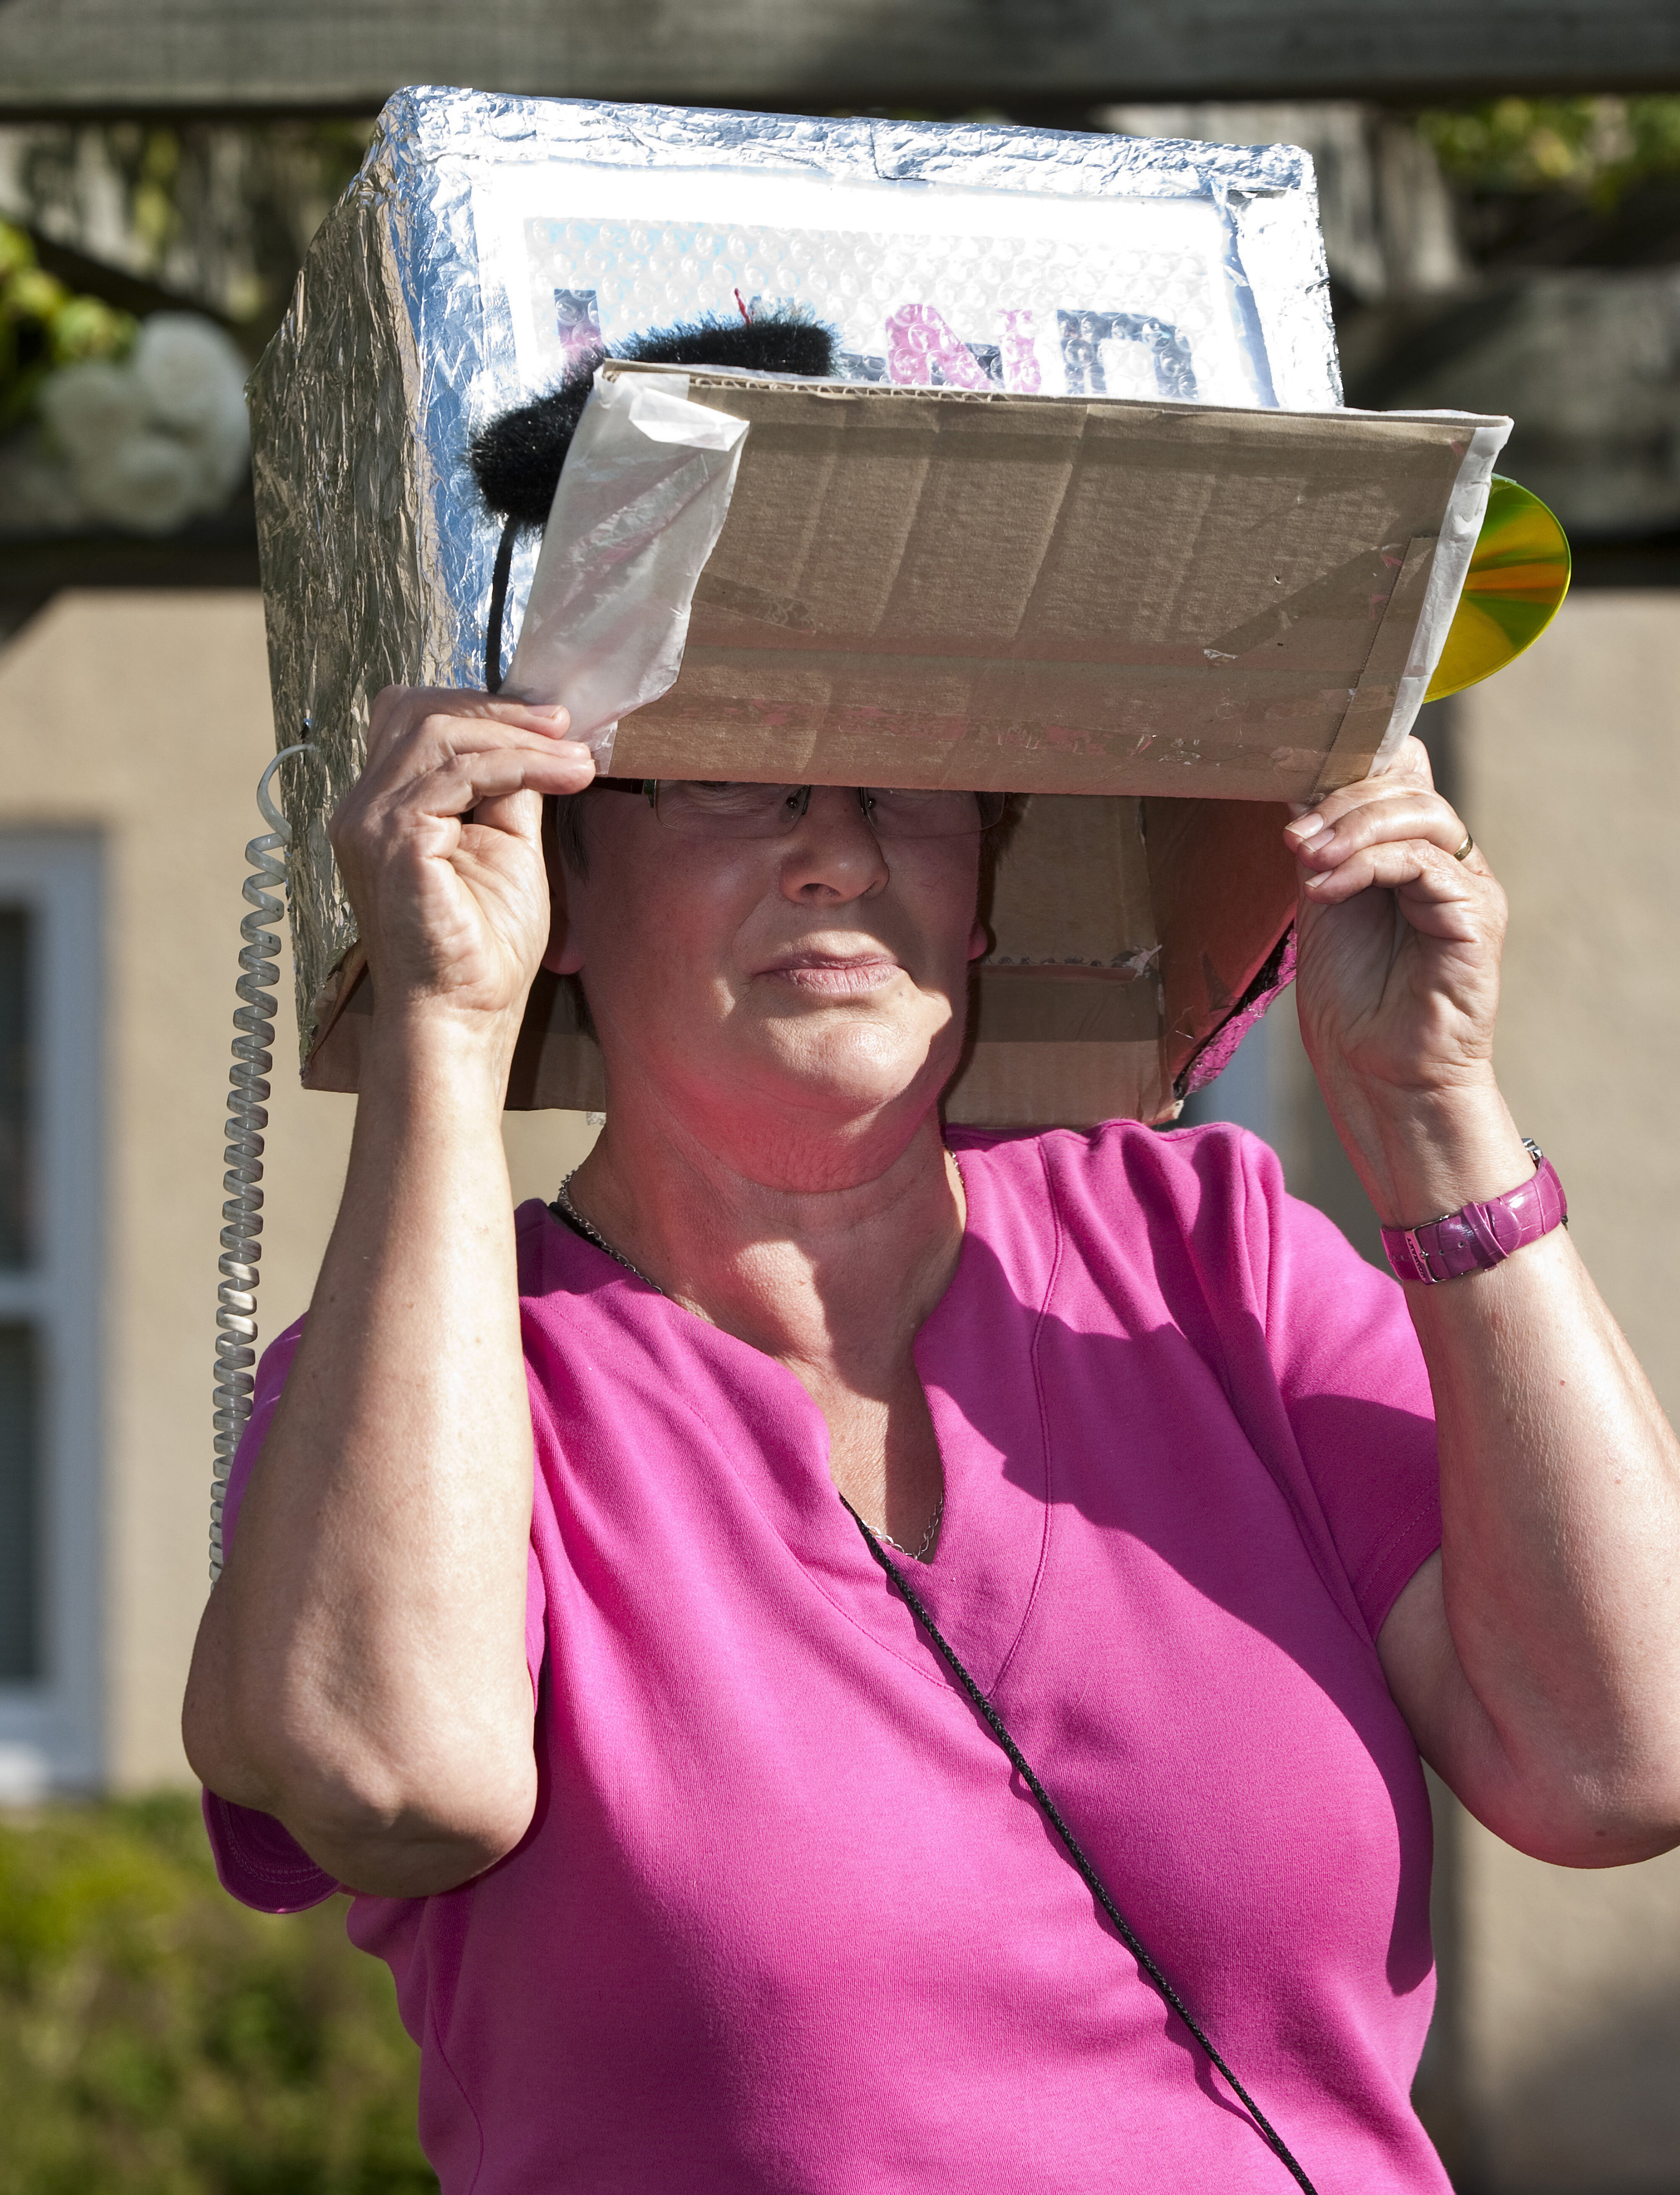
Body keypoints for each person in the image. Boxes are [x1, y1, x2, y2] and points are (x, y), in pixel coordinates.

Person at [184, 686, 1680, 2193]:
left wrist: (1433, 1112)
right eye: (726, 779)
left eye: (906, 786)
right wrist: (440, 1028)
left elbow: (1623, 1756)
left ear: (983, 890)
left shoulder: (1211, 1252)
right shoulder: (431, 1391)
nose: (835, 850)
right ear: (560, 883)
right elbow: (390, 1777)